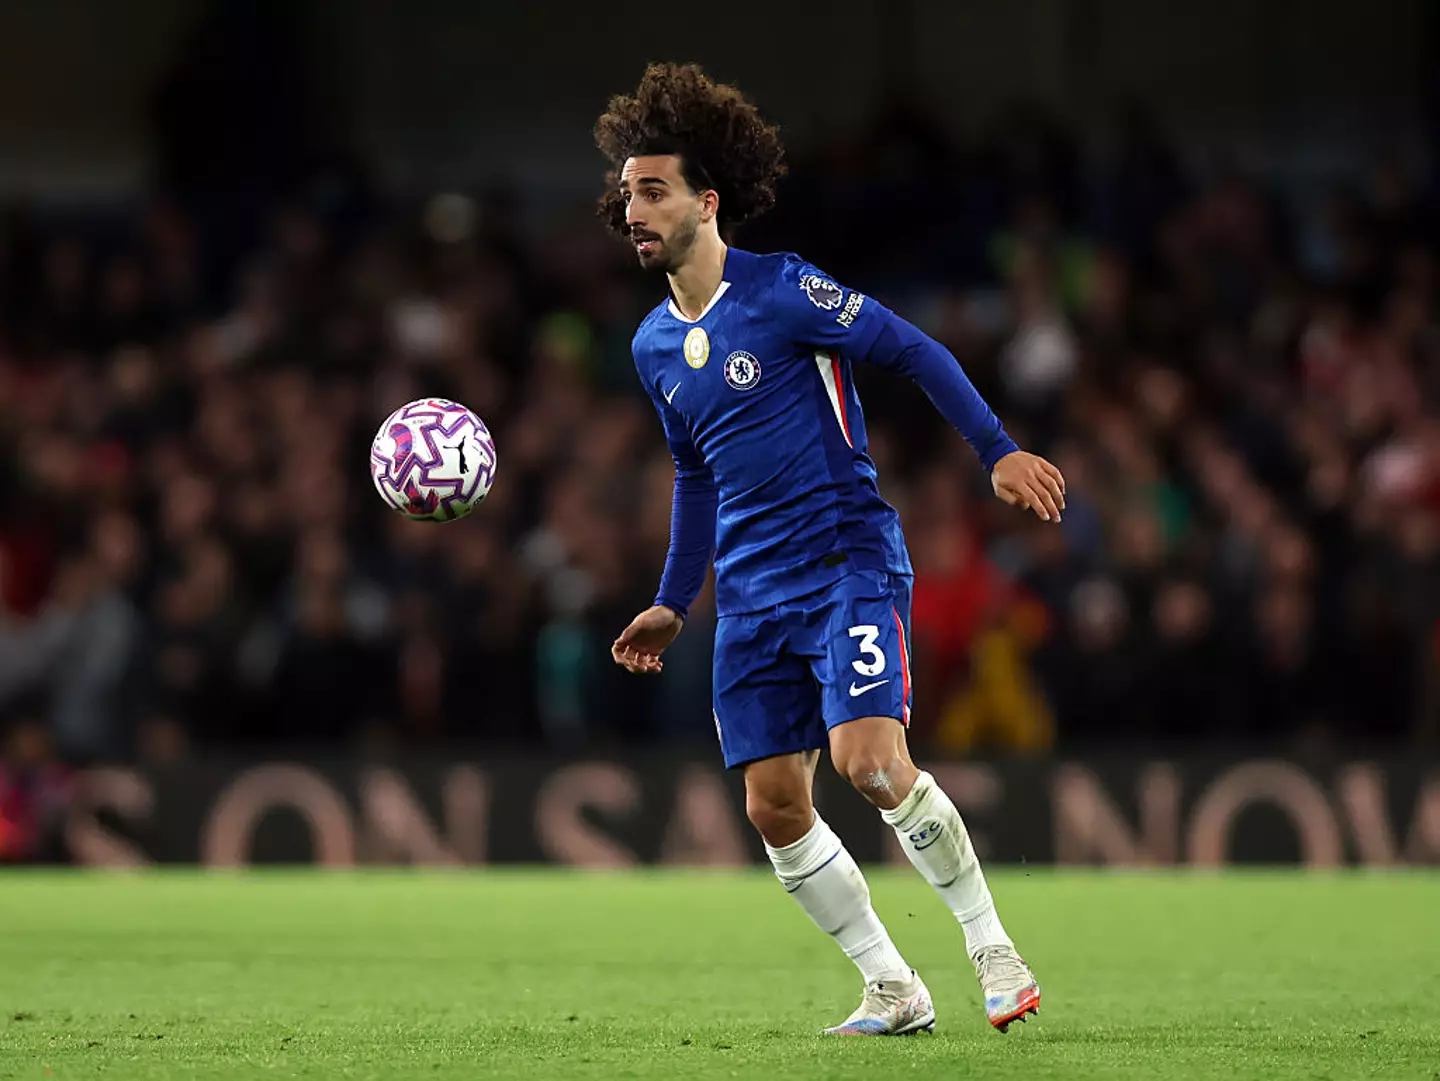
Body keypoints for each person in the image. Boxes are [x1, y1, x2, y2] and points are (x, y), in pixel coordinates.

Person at [598, 63, 1064, 1036]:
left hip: (845, 560)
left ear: (705, 200)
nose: (632, 209)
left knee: (869, 762)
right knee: (773, 805)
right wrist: (674, 600)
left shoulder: (782, 289)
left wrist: (998, 450)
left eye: (653, 190)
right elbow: (694, 477)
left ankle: (992, 946)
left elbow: (910, 348)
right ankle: (893, 985)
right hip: (753, 595)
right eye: (627, 192)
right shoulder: (650, 345)